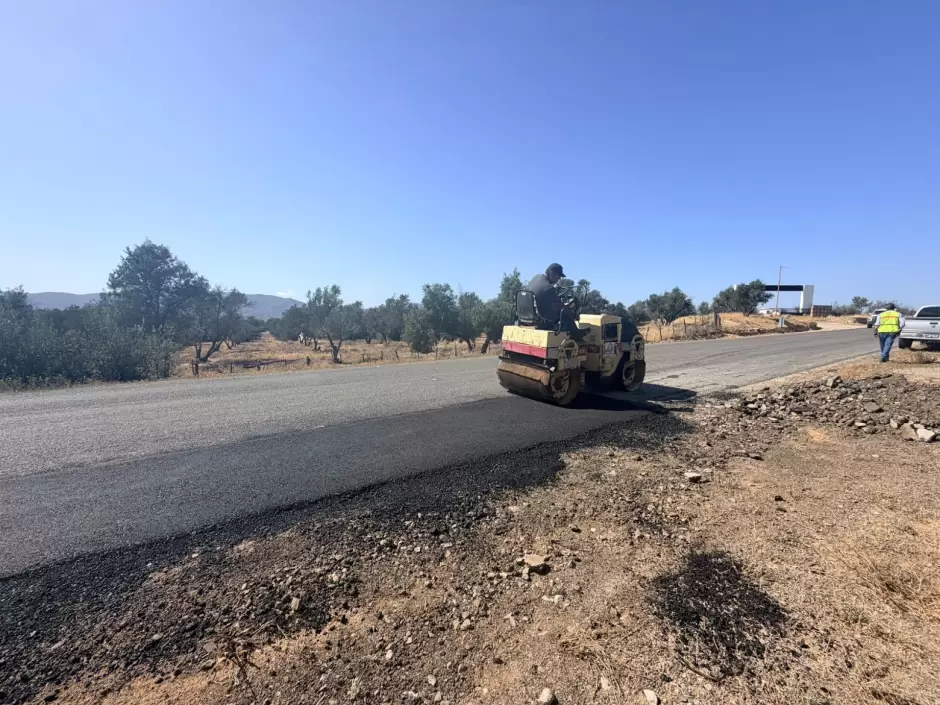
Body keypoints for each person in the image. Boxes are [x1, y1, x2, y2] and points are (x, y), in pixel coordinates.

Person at [527, 263, 587, 341]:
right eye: (558, 276)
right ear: (551, 273)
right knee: (565, 314)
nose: (559, 279)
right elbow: (560, 306)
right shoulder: (548, 288)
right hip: (542, 318)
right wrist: (573, 315)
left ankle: (575, 333)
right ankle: (577, 336)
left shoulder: (536, 278)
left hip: (530, 314)